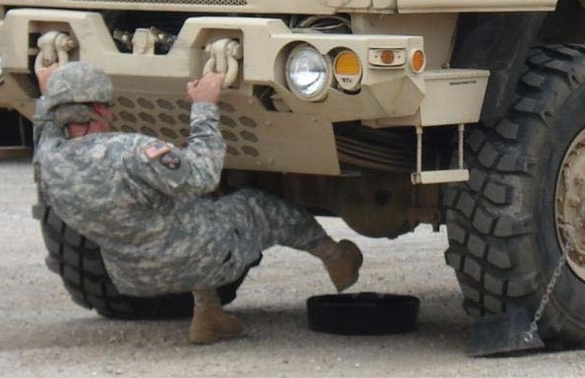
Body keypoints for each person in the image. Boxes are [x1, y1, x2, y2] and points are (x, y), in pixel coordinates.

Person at [33, 61, 363, 345]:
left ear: (57, 110)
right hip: (204, 258)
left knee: (188, 216)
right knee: (256, 205)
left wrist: (48, 92)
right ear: (102, 108)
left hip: (133, 277)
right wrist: (204, 104)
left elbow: (44, 128)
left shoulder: (48, 161)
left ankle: (208, 315)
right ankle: (336, 256)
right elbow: (204, 175)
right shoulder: (130, 151)